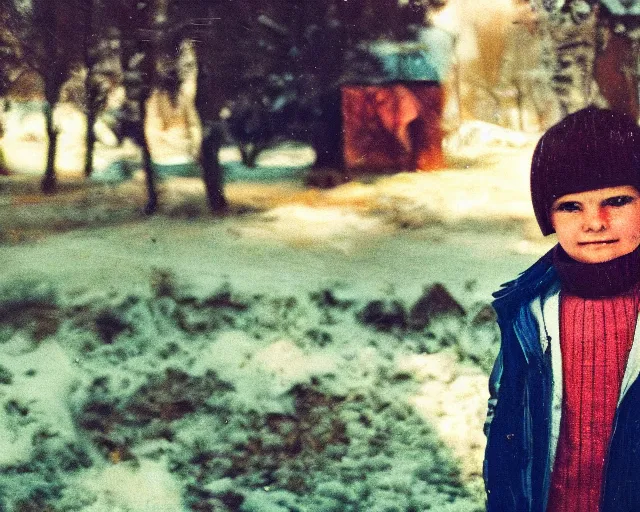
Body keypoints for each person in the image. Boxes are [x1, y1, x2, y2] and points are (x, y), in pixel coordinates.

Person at [483, 106, 640, 511]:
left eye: (617, 201)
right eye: (572, 206)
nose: (595, 222)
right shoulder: (527, 309)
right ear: (549, 215)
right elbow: (505, 411)